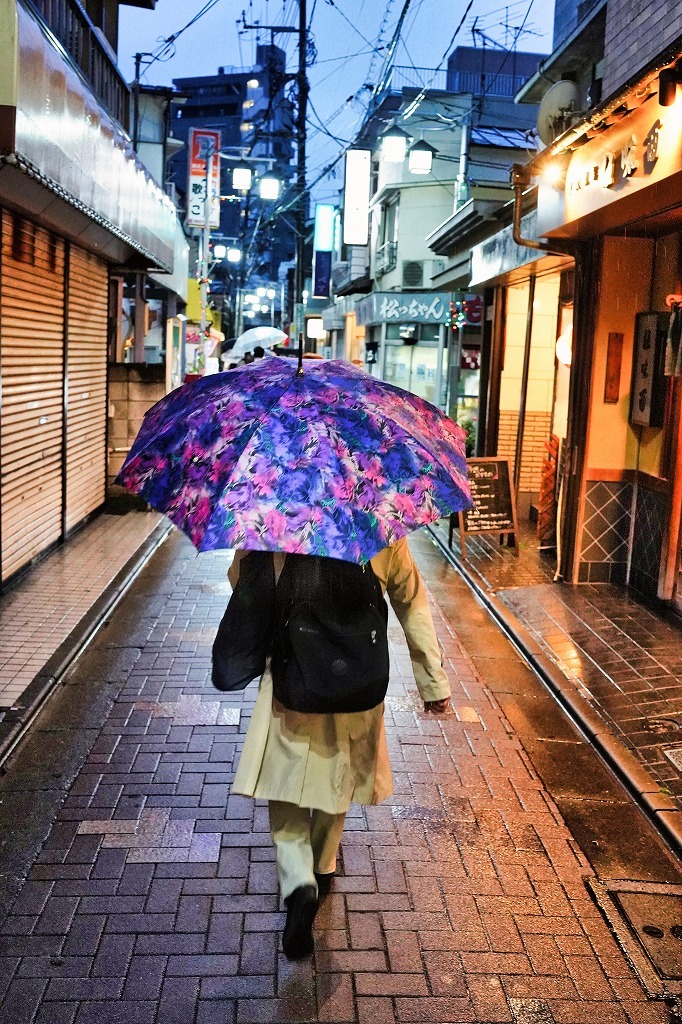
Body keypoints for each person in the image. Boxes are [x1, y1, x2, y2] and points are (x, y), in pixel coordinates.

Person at [228, 535, 451, 960]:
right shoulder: (382, 526)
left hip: (293, 671)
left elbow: (242, 579)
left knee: (284, 781)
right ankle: (322, 865)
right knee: (339, 772)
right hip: (355, 673)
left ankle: (298, 883)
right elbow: (412, 601)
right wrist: (432, 681)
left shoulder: (277, 517)